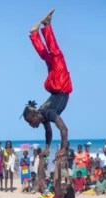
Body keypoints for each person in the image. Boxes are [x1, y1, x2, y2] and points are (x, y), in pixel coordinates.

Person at [22, 9, 72, 158]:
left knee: (56, 54)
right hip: (54, 86)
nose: (33, 125)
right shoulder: (44, 115)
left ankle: (47, 26)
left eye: (32, 122)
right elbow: (49, 132)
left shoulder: (47, 113)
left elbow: (64, 128)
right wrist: (47, 148)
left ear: (36, 114)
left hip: (60, 85)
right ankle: (35, 35)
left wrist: (63, 148)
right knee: (49, 58)